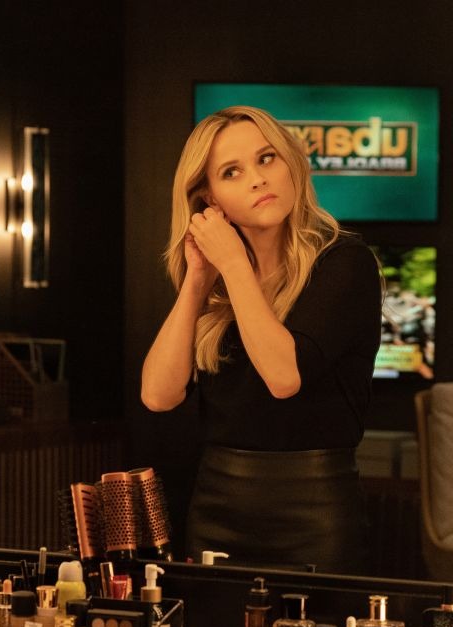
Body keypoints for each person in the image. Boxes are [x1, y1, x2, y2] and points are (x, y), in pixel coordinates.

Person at [141, 106, 381, 574]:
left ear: (292, 163)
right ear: (209, 198)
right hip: (218, 505)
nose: (257, 179)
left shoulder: (344, 263)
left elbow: (283, 377)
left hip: (316, 510)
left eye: (267, 158)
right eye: (232, 172)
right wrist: (197, 280)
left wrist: (233, 264)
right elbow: (158, 395)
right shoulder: (217, 285)